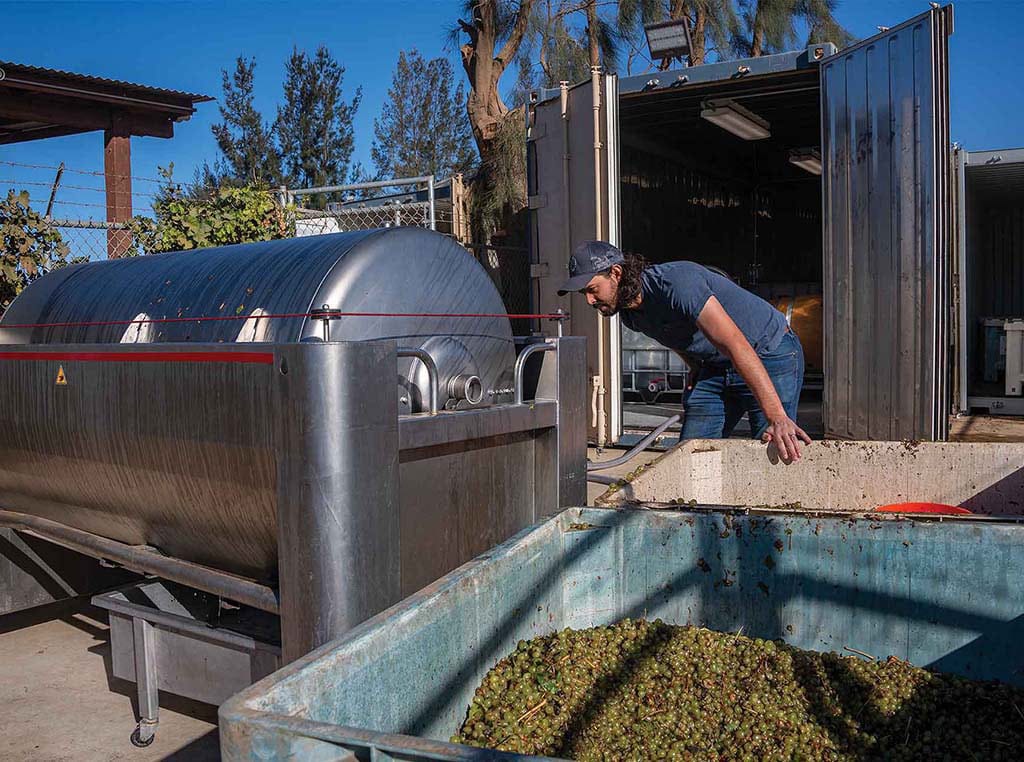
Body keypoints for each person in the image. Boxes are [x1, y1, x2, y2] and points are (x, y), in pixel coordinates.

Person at [558, 241, 811, 462]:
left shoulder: (677, 284)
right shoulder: (630, 315)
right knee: (692, 455)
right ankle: (702, 515)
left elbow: (736, 343)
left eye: (592, 290)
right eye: (584, 293)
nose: (589, 301)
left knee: (772, 447)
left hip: (768, 352)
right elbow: (677, 337)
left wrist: (777, 416)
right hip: (717, 365)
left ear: (615, 272)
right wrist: (695, 367)